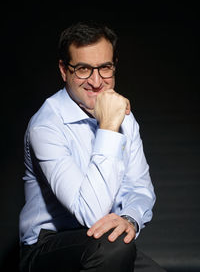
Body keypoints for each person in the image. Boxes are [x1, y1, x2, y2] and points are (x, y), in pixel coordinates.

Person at [19, 21, 166, 272]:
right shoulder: (45, 126)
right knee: (113, 246)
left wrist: (129, 220)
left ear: (114, 66)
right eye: (84, 69)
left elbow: (140, 189)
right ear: (64, 70)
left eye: (105, 68)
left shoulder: (126, 118)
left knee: (123, 248)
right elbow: (92, 213)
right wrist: (109, 126)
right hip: (46, 247)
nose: (97, 82)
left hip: (106, 245)